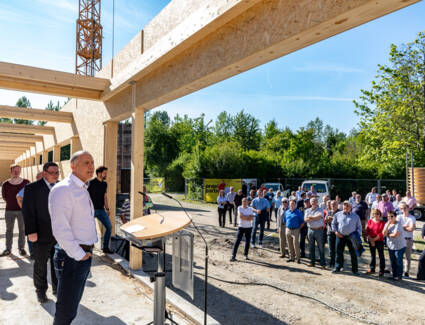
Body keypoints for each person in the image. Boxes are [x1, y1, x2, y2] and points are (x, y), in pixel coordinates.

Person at [49, 151, 97, 324]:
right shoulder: (64, 189)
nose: (91, 167)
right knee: (66, 310)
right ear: (72, 166)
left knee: (71, 307)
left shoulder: (82, 188)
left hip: (80, 255)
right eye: (86, 163)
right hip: (71, 257)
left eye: (92, 162)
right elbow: (60, 229)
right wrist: (79, 254)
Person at [22, 162, 59, 303]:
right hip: (40, 233)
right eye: (52, 173)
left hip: (59, 234)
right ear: (44, 173)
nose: (55, 175)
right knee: (40, 264)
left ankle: (57, 288)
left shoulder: (61, 187)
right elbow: (27, 211)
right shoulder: (32, 188)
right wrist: (31, 231)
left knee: (58, 262)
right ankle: (41, 291)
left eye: (57, 172)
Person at [1, 165, 30, 256]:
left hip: (22, 211)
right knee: (9, 230)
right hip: (9, 210)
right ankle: (8, 249)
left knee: (22, 230)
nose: (16, 172)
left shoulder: (26, 182)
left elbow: (30, 195)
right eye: (14, 171)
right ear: (11, 171)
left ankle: (21, 248)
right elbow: (4, 197)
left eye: (18, 171)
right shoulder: (5, 184)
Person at [17, 171, 43, 259]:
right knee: (31, 233)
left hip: (44, 216)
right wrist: (24, 209)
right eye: (41, 177)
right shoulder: (30, 187)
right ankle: (33, 253)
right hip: (32, 215)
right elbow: (19, 197)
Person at [88, 166, 113, 254]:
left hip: (101, 210)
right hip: (91, 210)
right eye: (104, 173)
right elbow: (85, 197)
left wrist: (107, 208)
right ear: (99, 173)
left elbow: (105, 197)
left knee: (109, 227)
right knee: (90, 229)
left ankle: (105, 247)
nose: (106, 174)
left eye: (106, 173)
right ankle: (89, 247)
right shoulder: (91, 183)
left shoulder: (104, 184)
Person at [331, 201, 362, 274]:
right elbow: (333, 224)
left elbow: (359, 227)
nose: (346, 207)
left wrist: (356, 235)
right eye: (344, 205)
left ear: (351, 207)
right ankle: (337, 267)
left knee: (353, 253)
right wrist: (336, 232)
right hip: (340, 236)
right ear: (342, 207)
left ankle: (355, 270)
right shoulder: (337, 214)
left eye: (348, 206)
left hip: (352, 237)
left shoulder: (355, 216)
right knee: (339, 252)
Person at [383, 211, 406, 281]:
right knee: (392, 261)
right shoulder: (387, 223)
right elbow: (383, 233)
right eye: (388, 216)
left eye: (392, 216)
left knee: (398, 261)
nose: (390, 218)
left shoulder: (398, 224)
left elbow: (395, 235)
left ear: (395, 217)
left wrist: (388, 234)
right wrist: (388, 225)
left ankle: (399, 276)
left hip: (399, 246)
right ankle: (394, 275)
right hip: (391, 246)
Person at [305, 197, 326, 269]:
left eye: (314, 201)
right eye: (312, 201)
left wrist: (310, 217)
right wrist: (314, 217)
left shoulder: (320, 210)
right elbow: (305, 219)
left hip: (319, 230)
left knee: (321, 247)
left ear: (317, 202)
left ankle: (323, 263)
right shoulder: (307, 210)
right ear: (310, 203)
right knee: (311, 247)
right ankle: (312, 262)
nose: (313, 202)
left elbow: (319, 216)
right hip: (310, 230)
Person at [397, 202, 416, 277]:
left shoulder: (412, 218)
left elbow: (411, 229)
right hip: (400, 239)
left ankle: (406, 272)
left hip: (408, 239)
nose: (403, 209)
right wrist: (406, 227)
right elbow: (398, 227)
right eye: (401, 208)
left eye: (405, 208)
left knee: (407, 257)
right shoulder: (399, 217)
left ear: (408, 208)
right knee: (399, 256)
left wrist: (403, 227)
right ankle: (398, 270)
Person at [365, 209, 386, 276]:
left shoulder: (382, 222)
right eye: (374, 213)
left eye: (377, 213)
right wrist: (371, 240)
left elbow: (382, 233)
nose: (376, 215)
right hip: (371, 241)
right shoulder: (370, 221)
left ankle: (381, 270)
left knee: (381, 256)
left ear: (380, 215)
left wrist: (374, 240)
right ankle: (372, 269)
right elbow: (367, 231)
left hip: (379, 241)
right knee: (372, 255)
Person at [325, 200, 339, 268]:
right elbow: (325, 220)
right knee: (331, 250)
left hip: (337, 233)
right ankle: (331, 263)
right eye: (332, 204)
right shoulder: (329, 211)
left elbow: (339, 221)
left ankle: (337, 263)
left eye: (334, 204)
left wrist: (331, 218)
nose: (333, 206)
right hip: (329, 232)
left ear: (337, 205)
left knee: (337, 249)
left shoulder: (340, 212)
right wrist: (330, 219)